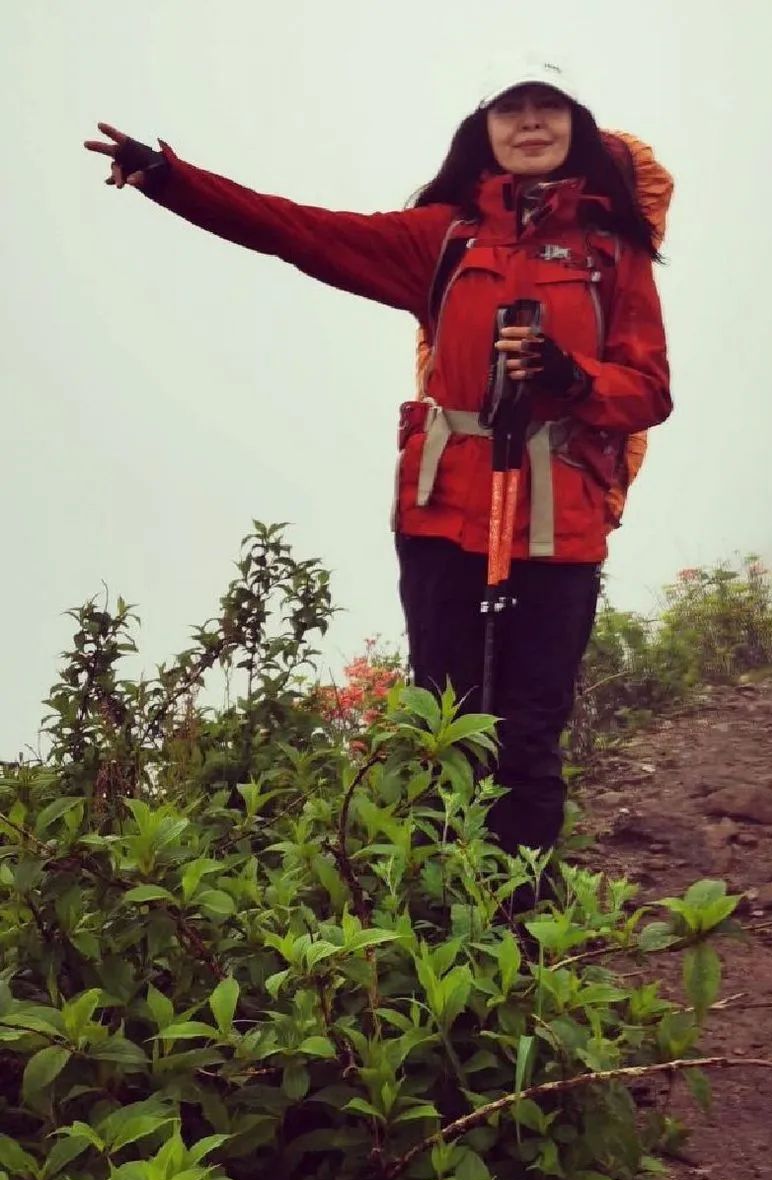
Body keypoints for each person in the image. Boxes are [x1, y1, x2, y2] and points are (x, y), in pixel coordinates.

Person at [83, 54, 674, 857]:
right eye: (511, 110)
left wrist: (574, 379)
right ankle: (440, 913)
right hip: (443, 514)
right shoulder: (442, 238)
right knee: (443, 720)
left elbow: (649, 391)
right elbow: (297, 230)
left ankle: (522, 926)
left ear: (576, 127)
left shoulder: (613, 251)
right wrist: (169, 179)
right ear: (484, 132)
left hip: (559, 521)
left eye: (548, 108)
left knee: (531, 734)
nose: (530, 123)